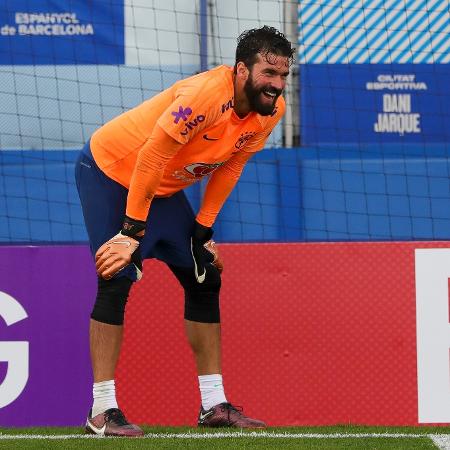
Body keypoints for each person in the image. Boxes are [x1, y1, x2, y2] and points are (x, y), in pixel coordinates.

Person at [75, 25, 294, 436]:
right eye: (269, 73)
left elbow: (232, 165)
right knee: (115, 276)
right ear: (242, 70)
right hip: (111, 170)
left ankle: (214, 404)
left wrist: (202, 229)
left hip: (161, 186)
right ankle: (101, 409)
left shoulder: (270, 111)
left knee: (205, 277)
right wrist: (129, 233)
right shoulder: (204, 96)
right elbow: (151, 156)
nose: (277, 85)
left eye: (283, 76)